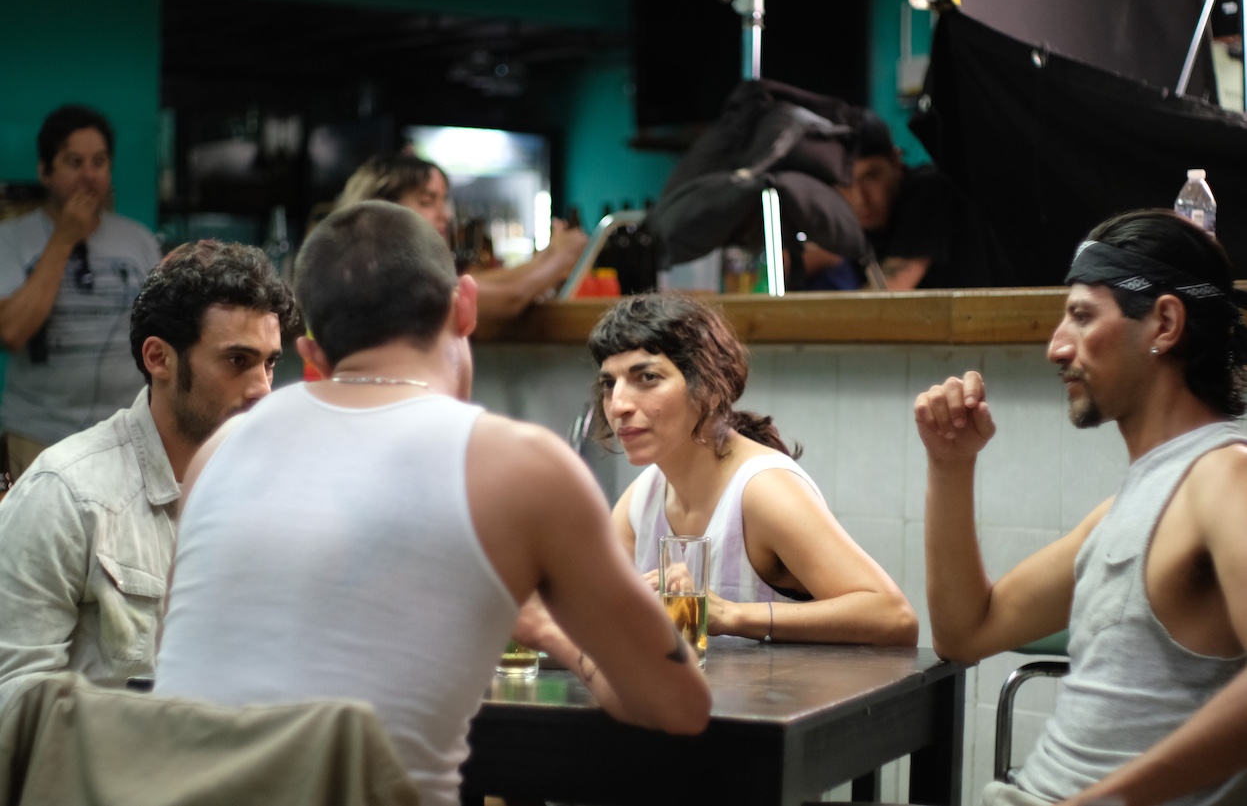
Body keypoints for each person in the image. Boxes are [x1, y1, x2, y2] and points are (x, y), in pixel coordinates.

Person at [154, 201, 711, 806]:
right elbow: (678, 706)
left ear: (313, 356)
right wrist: (547, 627)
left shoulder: (218, 452)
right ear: (465, 306)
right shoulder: (519, 463)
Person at [915, 209, 1247, 806]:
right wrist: (950, 465)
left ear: (1165, 323)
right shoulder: (1132, 503)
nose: (1056, 347)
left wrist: (1099, 801)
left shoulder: (1225, 475)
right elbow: (966, 632)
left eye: (1083, 316)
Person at [0, 239, 299, 710]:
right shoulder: (67, 495)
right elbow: (13, 700)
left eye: (270, 362)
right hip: (117, 757)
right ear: (159, 358)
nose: (262, 388)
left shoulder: (278, 492)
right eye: (237, 361)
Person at [588, 293, 918, 645]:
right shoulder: (643, 497)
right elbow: (592, 607)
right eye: (609, 384)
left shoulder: (764, 490)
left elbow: (895, 617)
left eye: (647, 377)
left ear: (710, 388)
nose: (618, 405)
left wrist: (731, 615)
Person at [0, 105, 163, 477]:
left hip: (128, 435)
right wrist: (64, 238)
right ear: (45, 171)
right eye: (74, 162)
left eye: (99, 162)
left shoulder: (138, 240)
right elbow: (11, 331)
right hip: (38, 437)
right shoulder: (10, 239)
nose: (89, 175)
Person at [333, 151, 587, 320]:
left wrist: (547, 257)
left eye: (444, 200)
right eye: (426, 201)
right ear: (383, 208)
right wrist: (562, 257)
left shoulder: (378, 264)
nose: (445, 215)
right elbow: (510, 298)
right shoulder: (385, 273)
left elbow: (469, 283)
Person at [803, 109, 994, 291]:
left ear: (896, 161)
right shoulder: (846, 214)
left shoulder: (928, 190)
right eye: (845, 184)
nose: (861, 199)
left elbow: (887, 296)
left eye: (870, 177)